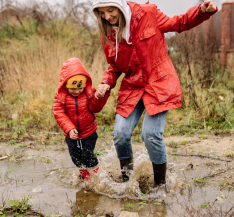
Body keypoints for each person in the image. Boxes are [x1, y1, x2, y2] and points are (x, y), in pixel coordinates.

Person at [92, 0, 217, 185]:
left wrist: (201, 11)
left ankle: (160, 186)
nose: (107, 17)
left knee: (150, 135)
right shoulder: (107, 33)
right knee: (120, 134)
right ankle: (127, 182)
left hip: (158, 83)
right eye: (102, 13)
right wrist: (105, 83)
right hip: (132, 86)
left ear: (120, 5)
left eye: (111, 10)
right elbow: (114, 66)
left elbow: (179, 23)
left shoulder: (147, 13)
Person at [53, 58, 110, 181]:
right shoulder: (61, 97)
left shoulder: (89, 93)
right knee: (76, 158)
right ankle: (84, 174)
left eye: (80, 88)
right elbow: (59, 112)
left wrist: (100, 97)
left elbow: (95, 108)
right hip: (71, 135)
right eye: (73, 89)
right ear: (65, 85)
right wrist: (69, 128)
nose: (77, 91)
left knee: (88, 156)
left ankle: (96, 176)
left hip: (88, 133)